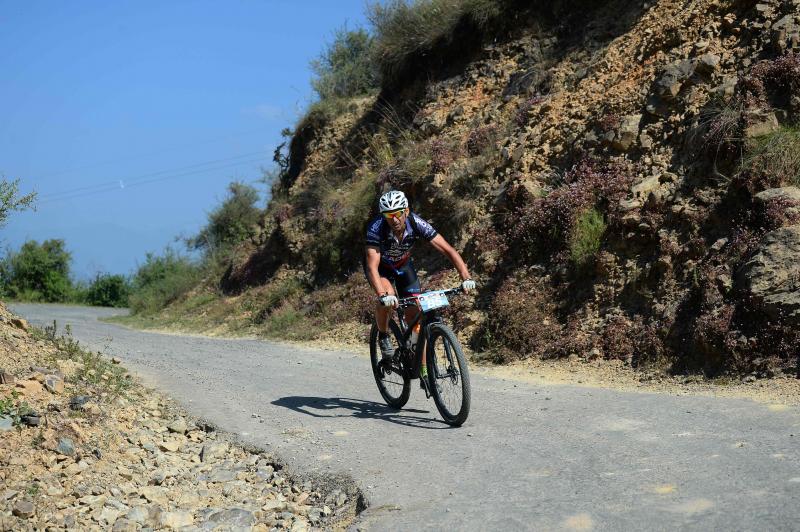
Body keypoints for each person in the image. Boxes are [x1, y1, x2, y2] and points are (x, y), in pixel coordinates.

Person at [364, 190, 475, 379]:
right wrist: (383, 295)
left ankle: (423, 368)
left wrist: (466, 278)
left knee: (416, 314)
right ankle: (383, 336)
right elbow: (372, 267)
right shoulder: (376, 228)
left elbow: (448, 250)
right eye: (388, 215)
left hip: (404, 267)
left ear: (406, 211)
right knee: (388, 298)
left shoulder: (416, 223)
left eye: (397, 213)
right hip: (381, 270)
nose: (393, 219)